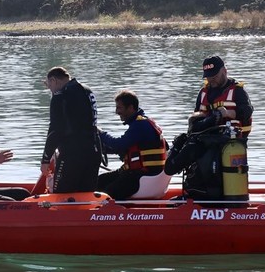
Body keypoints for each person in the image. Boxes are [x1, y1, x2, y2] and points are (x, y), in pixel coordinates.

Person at [165, 55, 253, 198]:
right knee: (187, 151)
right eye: (208, 76)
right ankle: (195, 190)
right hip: (206, 137)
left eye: (214, 75)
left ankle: (209, 193)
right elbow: (196, 118)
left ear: (224, 70)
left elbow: (247, 111)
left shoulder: (237, 90)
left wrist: (228, 113)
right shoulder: (204, 92)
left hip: (229, 141)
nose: (211, 79)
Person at [97, 90, 168, 199]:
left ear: (130, 108)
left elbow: (118, 144)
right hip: (138, 173)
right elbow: (127, 147)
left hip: (142, 176)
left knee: (107, 193)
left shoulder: (140, 125)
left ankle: (102, 213)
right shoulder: (143, 122)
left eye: (119, 108)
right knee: (99, 181)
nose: (117, 112)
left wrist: (100, 133)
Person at [41, 67, 102, 193]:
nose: (50, 89)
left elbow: (55, 130)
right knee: (85, 195)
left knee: (62, 195)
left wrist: (46, 159)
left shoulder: (61, 96)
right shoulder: (86, 90)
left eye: (49, 85)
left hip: (73, 154)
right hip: (94, 150)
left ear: (53, 80)